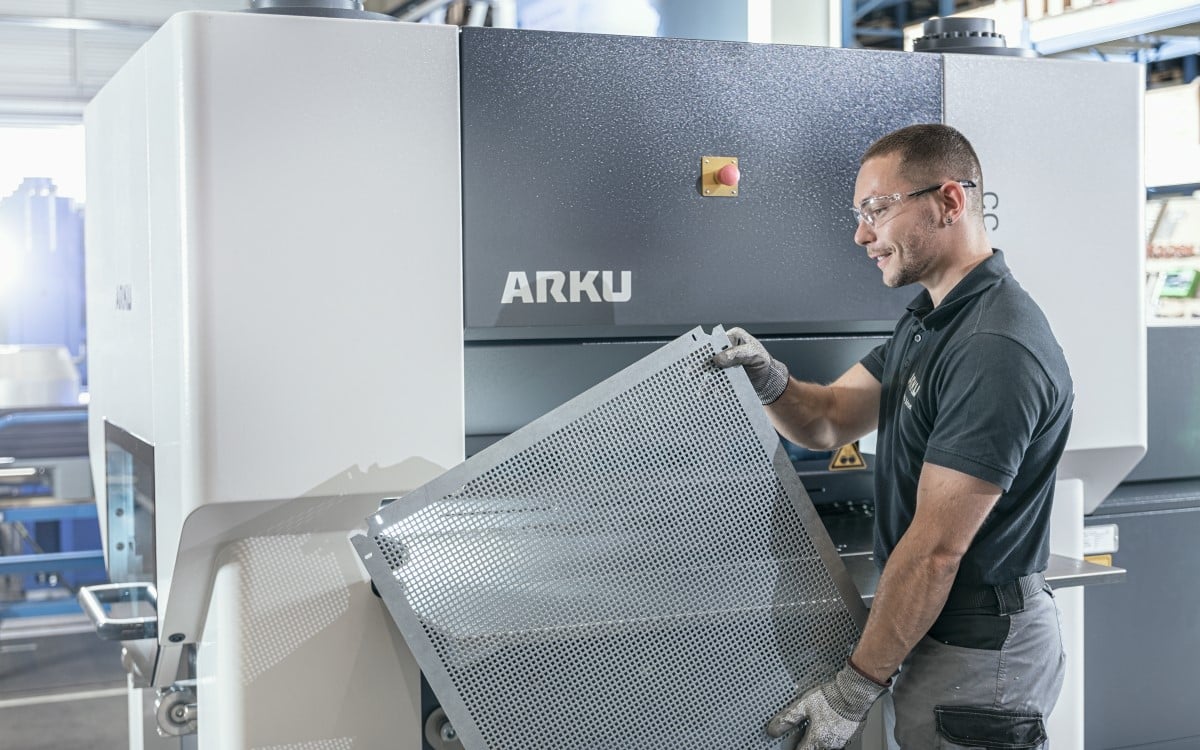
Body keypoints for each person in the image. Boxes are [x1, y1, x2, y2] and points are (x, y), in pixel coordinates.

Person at [712, 123, 1072, 749]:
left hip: (979, 657)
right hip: (938, 636)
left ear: (950, 201)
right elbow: (827, 418)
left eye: (877, 210)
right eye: (859, 213)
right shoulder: (933, 321)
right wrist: (768, 377)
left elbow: (936, 550)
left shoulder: (993, 348)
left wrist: (854, 689)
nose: (861, 234)